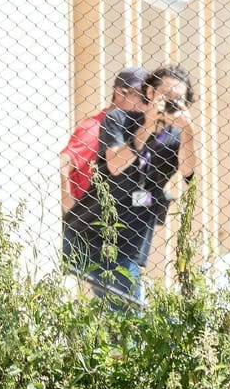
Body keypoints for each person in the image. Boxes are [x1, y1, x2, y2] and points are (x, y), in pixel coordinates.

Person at [63, 65, 200, 308]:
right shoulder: (118, 119)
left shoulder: (177, 136)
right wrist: (147, 124)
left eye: (177, 99)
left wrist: (187, 129)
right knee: (120, 312)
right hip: (86, 229)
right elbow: (116, 165)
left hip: (129, 240)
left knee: (126, 313)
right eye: (165, 96)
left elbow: (188, 171)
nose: (170, 103)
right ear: (149, 93)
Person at [59, 66, 149, 213]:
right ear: (120, 93)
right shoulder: (95, 127)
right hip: (92, 224)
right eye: (142, 98)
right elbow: (62, 164)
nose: (146, 106)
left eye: (149, 100)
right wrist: (72, 213)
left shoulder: (136, 131)